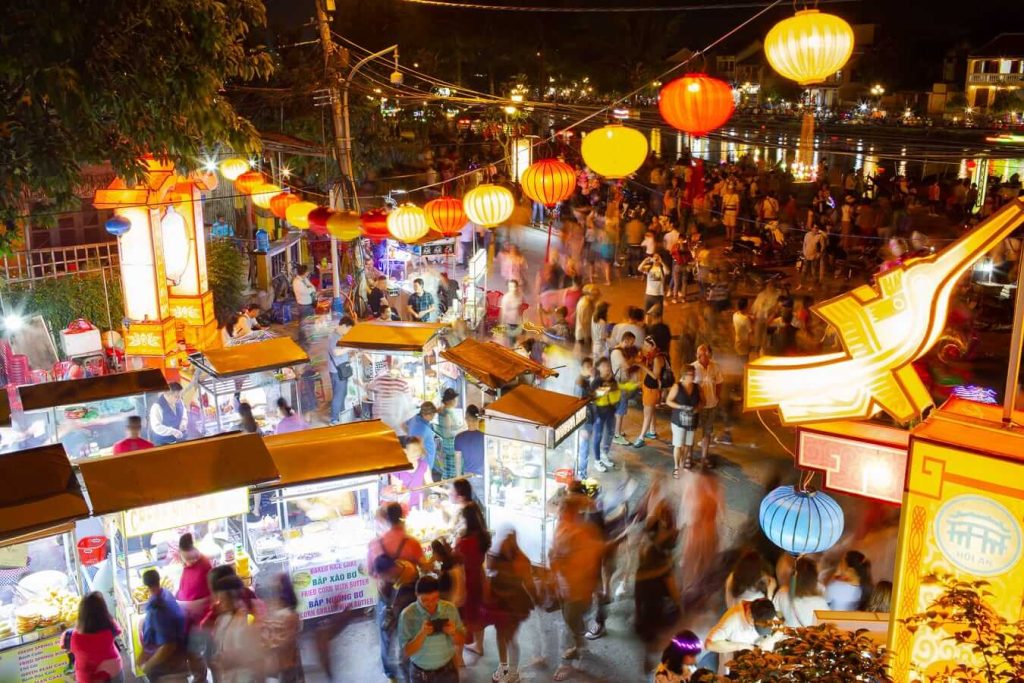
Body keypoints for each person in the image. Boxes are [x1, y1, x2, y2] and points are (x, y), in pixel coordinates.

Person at [368, 502, 429, 681]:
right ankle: (410, 668)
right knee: (410, 633)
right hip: (409, 598)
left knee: (386, 636)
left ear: (385, 519)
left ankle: (391, 675)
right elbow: (424, 567)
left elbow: (371, 572)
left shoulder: (375, 545)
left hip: (386, 598)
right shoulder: (412, 543)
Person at [549, 496, 605, 681]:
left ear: (571, 512)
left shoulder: (582, 531)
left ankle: (579, 657)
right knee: (568, 618)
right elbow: (555, 553)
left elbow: (591, 560)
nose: (559, 513)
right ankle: (578, 645)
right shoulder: (562, 526)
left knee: (572, 619)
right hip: (565, 587)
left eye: (562, 510)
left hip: (578, 588)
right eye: (560, 509)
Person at [483, 525, 535, 683]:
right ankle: (504, 666)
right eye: (503, 539)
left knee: (510, 637)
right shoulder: (495, 555)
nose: (505, 542)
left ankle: (513, 673)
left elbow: (528, 582)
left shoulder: (521, 559)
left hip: (515, 604)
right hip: (499, 603)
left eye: (509, 539)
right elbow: (488, 574)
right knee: (500, 635)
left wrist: (537, 597)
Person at [399, 575, 466, 683]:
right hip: (420, 674)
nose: (430, 604)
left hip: (447, 670)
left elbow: (462, 640)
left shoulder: (449, 609)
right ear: (416, 595)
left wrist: (453, 632)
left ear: (439, 594)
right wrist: (422, 634)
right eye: (425, 600)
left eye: (435, 598)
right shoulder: (407, 615)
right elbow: (406, 652)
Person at [704, 598, 783, 671]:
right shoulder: (732, 620)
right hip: (733, 661)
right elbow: (709, 644)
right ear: (749, 614)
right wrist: (742, 646)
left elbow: (780, 629)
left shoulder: (764, 611)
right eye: (757, 626)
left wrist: (770, 640)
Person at [139, 569, 188, 680]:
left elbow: (168, 646)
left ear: (146, 586)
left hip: (168, 666)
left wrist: (149, 665)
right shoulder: (166, 593)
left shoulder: (158, 608)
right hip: (178, 657)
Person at [455, 503, 490, 659]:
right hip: (479, 576)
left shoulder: (463, 542)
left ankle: (460, 657)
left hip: (465, 580)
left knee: (464, 617)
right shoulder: (483, 536)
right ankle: (479, 646)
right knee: (478, 614)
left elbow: (455, 559)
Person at [68, 591, 124, 683]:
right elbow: (118, 630)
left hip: (87, 678)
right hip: (113, 670)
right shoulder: (110, 628)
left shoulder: (73, 636)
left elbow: (64, 645)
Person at [262, 574, 304, 683]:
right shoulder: (287, 612)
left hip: (285, 665)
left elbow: (287, 641)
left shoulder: (289, 615)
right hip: (285, 664)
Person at [772, 556, 829, 628]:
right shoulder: (820, 594)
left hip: (790, 635)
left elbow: (777, 614)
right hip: (811, 637)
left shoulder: (782, 592)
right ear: (814, 576)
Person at [634, 335, 670, 447]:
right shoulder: (653, 356)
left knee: (647, 414)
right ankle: (652, 431)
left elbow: (655, 376)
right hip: (648, 387)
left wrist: (641, 365)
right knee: (651, 410)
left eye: (646, 345)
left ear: (653, 346)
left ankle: (641, 437)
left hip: (652, 390)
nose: (644, 347)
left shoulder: (658, 358)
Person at [666, 366, 702, 475]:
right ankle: (676, 467)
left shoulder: (697, 387)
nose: (693, 376)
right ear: (684, 375)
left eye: (694, 374)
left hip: (692, 420)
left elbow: (702, 401)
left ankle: (682, 463)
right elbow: (668, 401)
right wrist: (681, 407)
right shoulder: (677, 387)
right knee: (678, 444)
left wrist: (697, 409)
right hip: (678, 421)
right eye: (691, 374)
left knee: (688, 444)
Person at [692, 345, 724, 467]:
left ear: (709, 355)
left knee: (707, 432)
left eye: (704, 354)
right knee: (692, 431)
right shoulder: (693, 367)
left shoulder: (715, 366)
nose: (701, 357)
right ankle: (689, 457)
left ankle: (704, 457)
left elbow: (720, 382)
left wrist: (718, 396)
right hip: (697, 407)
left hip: (711, 405)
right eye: (699, 354)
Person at [175, 533, 213, 630]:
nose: (191, 562)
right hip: (187, 613)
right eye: (187, 559)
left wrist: (187, 605)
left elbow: (210, 598)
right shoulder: (187, 566)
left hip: (201, 619)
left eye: (193, 559)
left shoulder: (205, 565)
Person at [589, 357, 620, 474]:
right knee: (598, 436)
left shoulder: (613, 380)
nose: (607, 368)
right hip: (599, 414)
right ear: (599, 368)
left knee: (610, 434)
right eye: (604, 366)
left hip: (611, 412)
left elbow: (617, 393)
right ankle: (597, 460)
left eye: (608, 366)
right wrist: (606, 387)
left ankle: (604, 455)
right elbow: (593, 397)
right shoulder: (596, 381)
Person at [610, 331, 640, 448]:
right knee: (620, 411)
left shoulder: (620, 352)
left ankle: (617, 431)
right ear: (625, 340)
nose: (631, 345)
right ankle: (617, 436)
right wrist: (635, 360)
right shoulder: (617, 352)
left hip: (622, 383)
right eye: (631, 343)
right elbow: (626, 366)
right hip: (620, 384)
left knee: (620, 410)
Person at [326, 316, 356, 425]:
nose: (348, 332)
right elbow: (336, 352)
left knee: (342, 393)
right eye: (349, 329)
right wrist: (350, 347)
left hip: (340, 369)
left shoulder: (338, 336)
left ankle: (341, 415)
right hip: (337, 371)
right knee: (339, 394)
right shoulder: (334, 337)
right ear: (344, 326)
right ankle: (334, 419)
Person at [393, 437, 433, 508]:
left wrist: (446, 491)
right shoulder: (397, 469)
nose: (416, 457)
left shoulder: (423, 465)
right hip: (403, 507)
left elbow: (430, 484)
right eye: (413, 453)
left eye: (418, 454)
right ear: (405, 451)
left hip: (420, 504)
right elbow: (395, 492)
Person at [406, 401, 440, 473]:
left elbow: (403, 424)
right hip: (423, 466)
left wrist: (409, 433)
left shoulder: (415, 418)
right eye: (433, 414)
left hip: (421, 464)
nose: (433, 416)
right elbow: (418, 446)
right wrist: (425, 454)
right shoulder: (421, 428)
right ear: (427, 415)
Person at [436, 389, 462, 479]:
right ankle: (451, 484)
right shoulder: (447, 412)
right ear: (449, 401)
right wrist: (462, 429)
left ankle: (449, 484)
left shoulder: (443, 410)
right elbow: (448, 433)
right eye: (454, 399)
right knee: (453, 468)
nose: (456, 401)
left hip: (448, 443)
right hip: (451, 444)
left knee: (449, 466)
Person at [453, 405, 484, 480]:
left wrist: (458, 479)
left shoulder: (459, 437)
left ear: (466, 419)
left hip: (467, 477)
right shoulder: (485, 437)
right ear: (479, 419)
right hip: (483, 477)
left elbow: (458, 462)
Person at [291, 264, 317, 331]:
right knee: (304, 324)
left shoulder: (305, 279)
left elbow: (312, 287)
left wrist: (310, 288)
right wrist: (310, 289)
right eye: (307, 271)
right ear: (304, 272)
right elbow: (306, 292)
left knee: (311, 323)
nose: (308, 273)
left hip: (310, 304)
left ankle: (310, 337)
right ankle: (304, 339)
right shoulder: (297, 282)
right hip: (304, 305)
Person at [801, 223, 827, 288]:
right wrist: (804, 252)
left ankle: (814, 286)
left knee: (814, 272)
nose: (816, 229)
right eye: (815, 228)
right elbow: (804, 244)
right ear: (812, 228)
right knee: (804, 271)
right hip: (807, 256)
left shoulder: (820, 236)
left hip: (814, 257)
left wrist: (819, 254)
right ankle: (801, 284)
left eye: (817, 228)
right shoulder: (807, 235)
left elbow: (823, 246)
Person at [499, 279, 524, 344]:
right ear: (508, 287)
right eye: (511, 287)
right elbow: (503, 313)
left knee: (515, 341)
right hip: (509, 324)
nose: (513, 289)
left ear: (517, 287)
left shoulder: (519, 296)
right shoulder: (506, 298)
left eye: (515, 286)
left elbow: (520, 311)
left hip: (517, 323)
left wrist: (521, 322)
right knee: (511, 342)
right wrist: (502, 326)